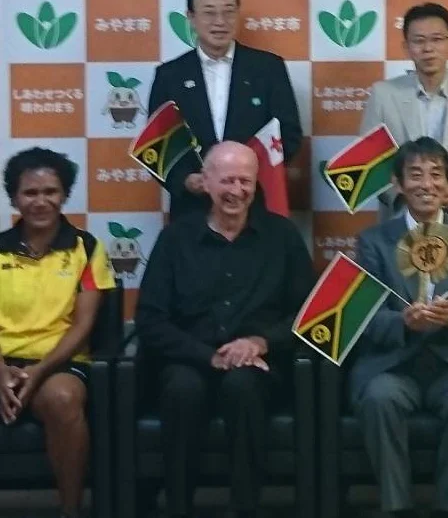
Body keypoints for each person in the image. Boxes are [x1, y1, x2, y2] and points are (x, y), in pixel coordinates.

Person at [135, 141, 314, 518]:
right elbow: (151, 319)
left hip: (259, 361)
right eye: (227, 180)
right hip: (189, 356)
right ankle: (178, 507)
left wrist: (260, 342)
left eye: (245, 181)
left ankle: (244, 509)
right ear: (206, 183)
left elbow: (307, 313)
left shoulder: (282, 237)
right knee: (183, 389)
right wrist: (208, 356)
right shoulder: (176, 238)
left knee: (242, 387)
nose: (236, 191)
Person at [349, 137, 448, 518]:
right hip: (393, 365)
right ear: (398, 185)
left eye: (436, 175)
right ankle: (396, 508)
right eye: (415, 175)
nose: (426, 184)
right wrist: (402, 321)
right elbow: (361, 315)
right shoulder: (373, 241)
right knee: (379, 399)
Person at [0, 147, 117, 518]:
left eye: (50, 191)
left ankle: (70, 511)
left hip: (60, 361)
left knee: (63, 399)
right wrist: (1, 370)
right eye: (30, 193)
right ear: (14, 197)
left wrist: (38, 371)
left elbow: (84, 325)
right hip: (2, 360)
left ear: (64, 194)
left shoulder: (87, 248)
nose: (40, 201)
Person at [148, 0, 302, 220]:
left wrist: (247, 177)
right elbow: (156, 146)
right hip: (193, 209)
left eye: (228, 12)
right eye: (209, 13)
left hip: (256, 205)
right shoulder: (170, 76)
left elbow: (289, 134)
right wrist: (186, 180)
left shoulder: (268, 69)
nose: (220, 21)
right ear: (191, 17)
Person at [360, 2, 448, 221]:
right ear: (406, 46)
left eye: (437, 39)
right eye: (419, 41)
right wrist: (403, 195)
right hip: (401, 221)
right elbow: (367, 164)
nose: (428, 49)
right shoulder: (383, 95)